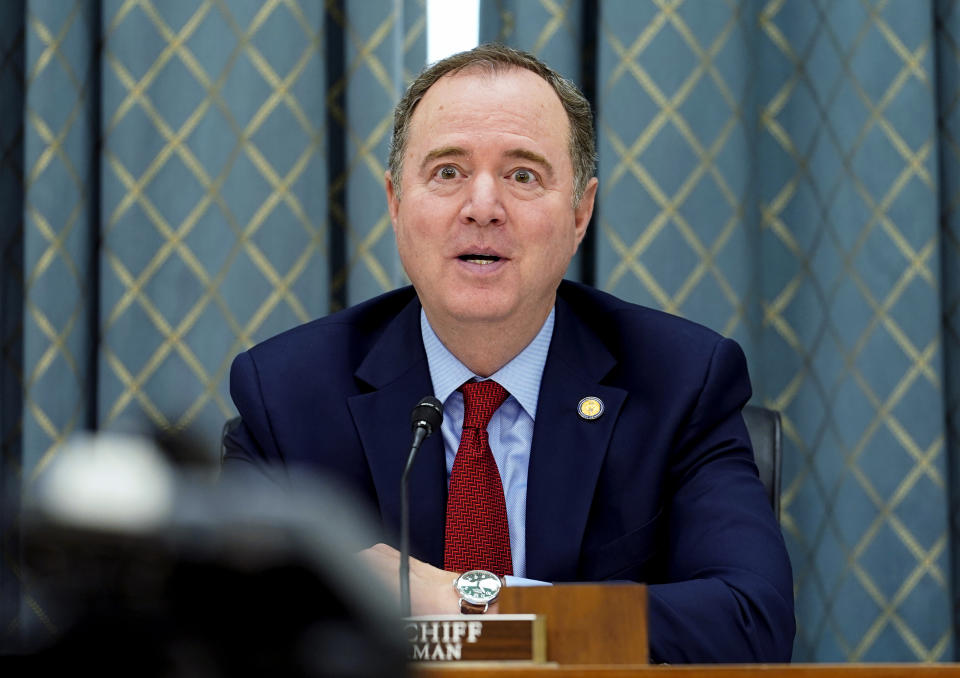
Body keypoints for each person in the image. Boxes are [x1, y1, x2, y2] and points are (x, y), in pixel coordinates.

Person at [224, 44, 795, 663]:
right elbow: (221, 628)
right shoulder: (287, 395)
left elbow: (751, 621)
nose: (483, 207)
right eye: (447, 171)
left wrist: (479, 605)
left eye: (523, 175)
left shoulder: (682, 382)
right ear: (394, 204)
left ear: (580, 213)